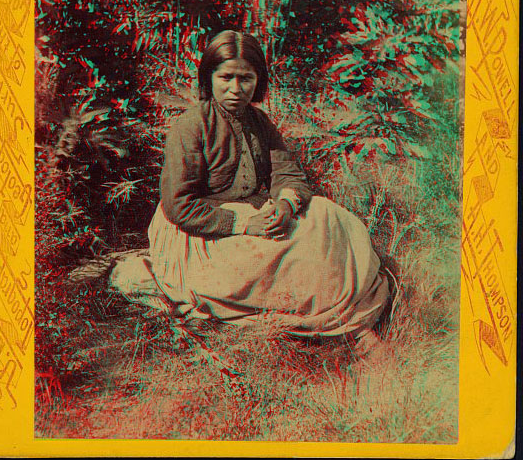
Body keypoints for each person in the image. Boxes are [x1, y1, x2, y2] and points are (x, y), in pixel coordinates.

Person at [114, 30, 390, 348]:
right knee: (277, 256)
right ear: (209, 78)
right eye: (226, 77)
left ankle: (350, 318)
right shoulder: (191, 126)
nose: (235, 89)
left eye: (245, 78)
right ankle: (342, 329)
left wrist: (284, 208)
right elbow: (178, 205)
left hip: (255, 214)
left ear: (258, 81)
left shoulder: (259, 121)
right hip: (202, 230)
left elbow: (289, 175)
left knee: (328, 216)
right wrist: (245, 224)